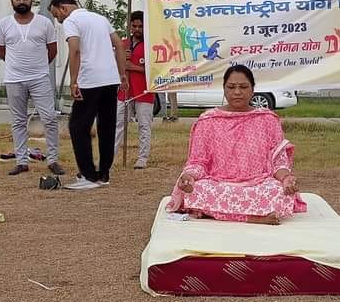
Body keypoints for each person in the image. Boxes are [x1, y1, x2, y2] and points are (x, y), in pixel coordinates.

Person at [168, 65, 307, 225]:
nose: (237, 92)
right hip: (218, 183)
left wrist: (287, 179)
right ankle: (253, 217)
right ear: (224, 89)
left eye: (243, 87)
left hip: (258, 183)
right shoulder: (208, 120)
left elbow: (279, 161)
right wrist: (190, 177)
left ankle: (218, 213)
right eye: (231, 87)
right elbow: (198, 162)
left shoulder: (268, 119)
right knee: (198, 189)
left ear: (253, 89)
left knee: (277, 191)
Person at [48, 0, 128, 191]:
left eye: (56, 14)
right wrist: (122, 74)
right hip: (110, 79)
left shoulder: (71, 21)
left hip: (90, 79)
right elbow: (118, 44)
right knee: (106, 126)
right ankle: (104, 173)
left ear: (64, 8)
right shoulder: (100, 18)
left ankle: (88, 175)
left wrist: (73, 81)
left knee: (78, 126)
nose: (57, 19)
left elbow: (74, 50)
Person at [0, 0, 65, 177]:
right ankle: (21, 161)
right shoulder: (3, 24)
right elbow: (2, 52)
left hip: (39, 78)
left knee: (49, 118)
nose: (22, 1)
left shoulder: (44, 23)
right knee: (18, 121)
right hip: (14, 79)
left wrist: (38, 66)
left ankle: (52, 160)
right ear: (12, 1)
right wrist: (18, 67)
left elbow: (52, 50)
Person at [114, 11, 155, 170]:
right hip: (124, 91)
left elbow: (156, 71)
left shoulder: (152, 46)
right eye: (134, 26)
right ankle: (110, 156)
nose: (137, 29)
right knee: (119, 124)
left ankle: (142, 158)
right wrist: (123, 61)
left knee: (144, 125)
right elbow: (114, 66)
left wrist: (134, 67)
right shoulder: (123, 44)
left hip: (144, 91)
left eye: (140, 26)